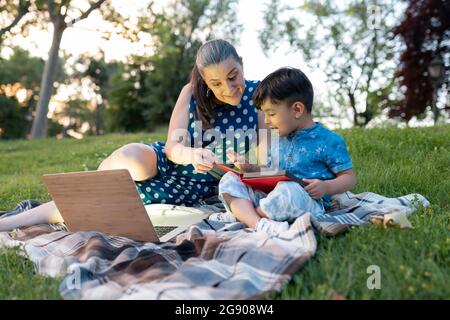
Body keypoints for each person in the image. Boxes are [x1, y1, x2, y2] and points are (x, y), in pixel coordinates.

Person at [0, 39, 269, 232]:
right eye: (216, 83)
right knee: (133, 161)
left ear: (242, 65)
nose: (229, 88)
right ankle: (92, 182)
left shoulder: (259, 97)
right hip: (168, 162)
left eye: (233, 77)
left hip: (192, 186)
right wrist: (191, 154)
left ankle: (7, 224)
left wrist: (245, 168)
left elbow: (268, 164)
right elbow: (172, 147)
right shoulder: (192, 92)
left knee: (99, 202)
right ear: (204, 80)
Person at [210, 67, 357, 235]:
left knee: (289, 190)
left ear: (297, 110)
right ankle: (257, 222)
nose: (266, 121)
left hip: (307, 201)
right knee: (230, 179)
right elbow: (271, 173)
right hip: (270, 199)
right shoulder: (277, 139)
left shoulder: (329, 141)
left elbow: (349, 178)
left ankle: (243, 216)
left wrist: (326, 186)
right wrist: (250, 169)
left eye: (271, 114)